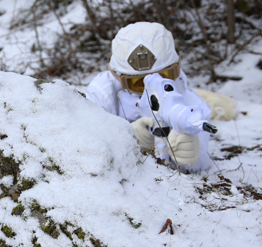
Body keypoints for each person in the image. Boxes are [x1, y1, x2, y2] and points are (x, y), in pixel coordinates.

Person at [85, 22, 236, 173]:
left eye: (163, 77)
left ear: (176, 69)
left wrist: (191, 154)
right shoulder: (102, 94)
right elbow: (90, 148)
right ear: (118, 77)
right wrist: (127, 138)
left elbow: (201, 162)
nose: (152, 86)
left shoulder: (188, 98)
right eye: (140, 82)